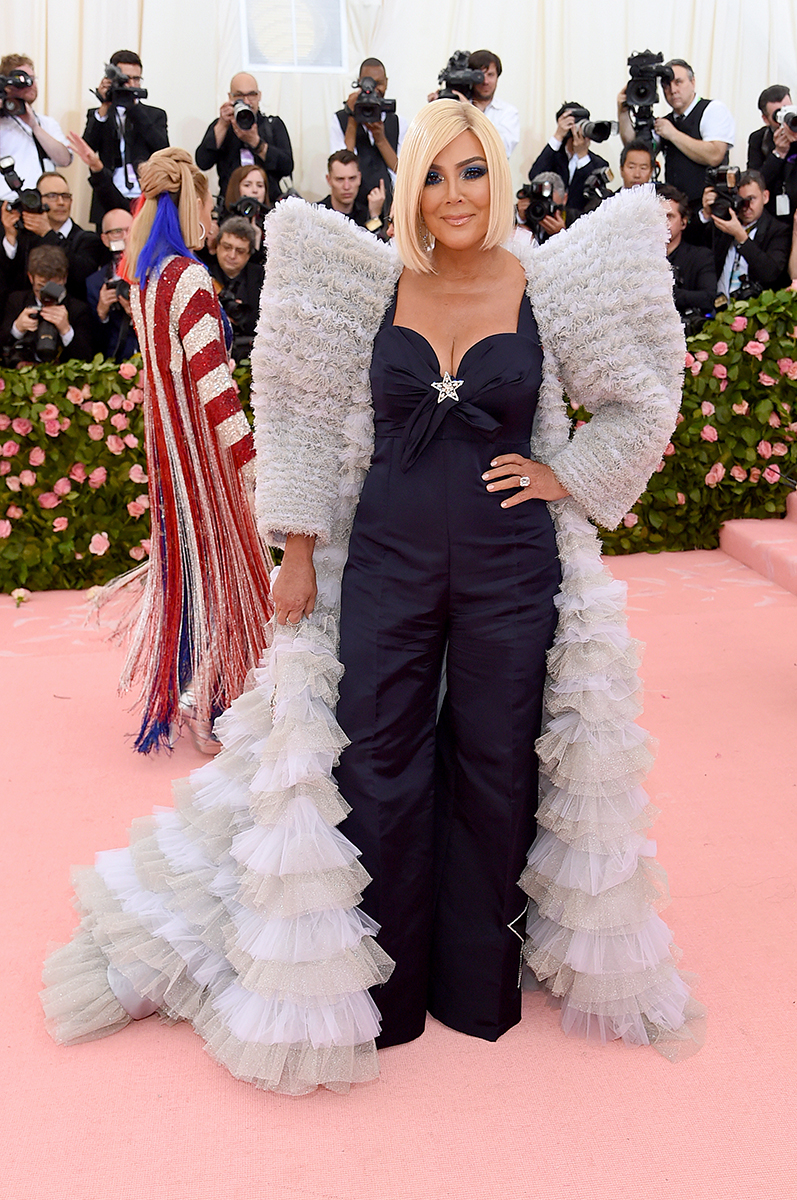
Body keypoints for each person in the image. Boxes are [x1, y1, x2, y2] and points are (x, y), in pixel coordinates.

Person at [42, 102, 702, 1095]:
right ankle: (380, 994)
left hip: (510, 565)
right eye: (433, 176)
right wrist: (296, 551)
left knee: (494, 759)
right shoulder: (370, 287)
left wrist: (566, 473)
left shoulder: (546, 284)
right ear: (408, 192)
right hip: (384, 556)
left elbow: (644, 398)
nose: (452, 196)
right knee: (377, 756)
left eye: (470, 173)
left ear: (499, 177)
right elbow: (303, 417)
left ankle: (476, 983)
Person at [618, 59, 734, 210]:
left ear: (693, 82)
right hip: (677, 209)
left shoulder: (712, 109)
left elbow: (715, 155)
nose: (673, 90)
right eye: (666, 85)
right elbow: (637, 150)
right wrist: (623, 112)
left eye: (678, 82)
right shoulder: (666, 123)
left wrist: (673, 134)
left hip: (708, 208)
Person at [82, 50, 169, 228]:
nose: (130, 84)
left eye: (136, 79)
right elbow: (87, 149)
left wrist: (135, 108)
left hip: (146, 197)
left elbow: (162, 149)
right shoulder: (99, 115)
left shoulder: (154, 115)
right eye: (125, 79)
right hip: (109, 197)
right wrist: (105, 105)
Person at [0, 171, 106, 301]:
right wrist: (10, 237)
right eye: (52, 196)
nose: (61, 202)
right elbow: (10, 279)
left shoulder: (88, 239)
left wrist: (47, 234)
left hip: (71, 316)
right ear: (38, 200)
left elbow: (80, 275)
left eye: (65, 196)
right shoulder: (25, 236)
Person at [195, 72, 294, 204]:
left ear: (259, 96)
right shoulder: (222, 126)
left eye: (251, 95)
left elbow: (287, 166)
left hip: (268, 206)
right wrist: (222, 125)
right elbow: (203, 161)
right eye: (240, 95)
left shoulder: (272, 125)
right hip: (230, 207)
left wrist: (256, 143)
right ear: (230, 97)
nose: (247, 101)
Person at [699, 168, 791, 298]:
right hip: (718, 305)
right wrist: (707, 213)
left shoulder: (778, 230)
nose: (746, 207)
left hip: (755, 307)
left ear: (765, 197)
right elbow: (694, 248)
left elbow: (770, 273)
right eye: (741, 201)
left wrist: (741, 237)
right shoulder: (723, 223)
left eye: (751, 199)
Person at [330, 57, 406, 211]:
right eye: (369, 83)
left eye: (379, 83)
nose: (374, 89)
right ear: (359, 83)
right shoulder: (340, 119)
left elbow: (403, 171)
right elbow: (342, 163)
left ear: (386, 83)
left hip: (389, 204)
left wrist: (380, 139)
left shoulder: (398, 122)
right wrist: (352, 117)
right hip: (352, 206)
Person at [1, 244, 96, 365]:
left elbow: (86, 357)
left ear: (64, 278)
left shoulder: (78, 309)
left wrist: (66, 331)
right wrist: (17, 328)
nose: (46, 293)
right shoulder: (17, 301)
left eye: (53, 287)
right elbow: (3, 343)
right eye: (40, 286)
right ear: (31, 277)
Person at [0, 54, 71, 202]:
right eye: (22, 79)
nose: (30, 84)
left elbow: (64, 160)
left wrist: (34, 126)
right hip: (5, 205)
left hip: (41, 206)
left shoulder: (47, 123)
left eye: (32, 79)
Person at [528, 102, 610, 215]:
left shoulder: (598, 164)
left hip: (580, 223)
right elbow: (534, 176)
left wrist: (582, 156)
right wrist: (558, 136)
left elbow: (593, 200)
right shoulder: (553, 156)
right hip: (549, 220)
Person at [204, 215, 264, 361]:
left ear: (249, 254)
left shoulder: (262, 278)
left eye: (240, 251)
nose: (232, 255)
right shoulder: (203, 272)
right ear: (216, 246)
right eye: (227, 247)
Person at [85, 208, 138, 361]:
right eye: (117, 232)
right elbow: (93, 343)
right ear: (105, 239)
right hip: (115, 365)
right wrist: (101, 313)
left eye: (130, 230)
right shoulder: (95, 283)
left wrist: (138, 314)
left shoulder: (154, 272)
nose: (125, 237)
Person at [660, 185, 716, 317]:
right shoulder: (638, 259)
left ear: (683, 222)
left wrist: (665, 294)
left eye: (669, 216)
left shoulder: (701, 257)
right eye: (658, 216)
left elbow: (708, 298)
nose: (662, 222)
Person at [747, 85, 797, 227]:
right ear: (766, 119)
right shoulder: (758, 139)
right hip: (773, 219)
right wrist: (778, 154)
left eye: (789, 111)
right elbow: (755, 183)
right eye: (779, 114)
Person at [468, 49, 520, 158]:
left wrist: (469, 110)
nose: (485, 81)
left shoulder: (508, 112)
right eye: (480, 76)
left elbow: (502, 150)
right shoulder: (457, 106)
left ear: (497, 77)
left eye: (490, 75)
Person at [319, 150, 386, 231]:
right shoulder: (317, 214)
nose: (346, 186)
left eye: (352, 178)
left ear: (359, 178)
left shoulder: (365, 215)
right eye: (340, 179)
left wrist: (374, 215)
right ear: (329, 180)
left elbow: (373, 241)